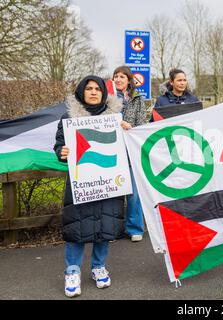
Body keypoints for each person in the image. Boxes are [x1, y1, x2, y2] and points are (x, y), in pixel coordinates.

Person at [54, 75, 125, 298]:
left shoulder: (116, 118)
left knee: (104, 227)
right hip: (81, 184)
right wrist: (61, 152)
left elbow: (127, 147)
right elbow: (59, 145)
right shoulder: (68, 118)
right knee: (78, 227)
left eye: (97, 89)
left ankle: (98, 267)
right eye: (89, 88)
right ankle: (72, 271)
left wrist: (128, 131)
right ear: (81, 92)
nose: (93, 92)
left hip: (108, 184)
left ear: (104, 93)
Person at [113, 66, 147, 242]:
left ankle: (134, 228)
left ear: (128, 80)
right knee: (112, 192)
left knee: (134, 192)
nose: (118, 79)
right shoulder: (107, 99)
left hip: (131, 150)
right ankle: (112, 229)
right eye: (115, 76)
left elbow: (143, 125)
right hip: (110, 150)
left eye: (122, 77)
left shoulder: (138, 99)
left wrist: (130, 128)